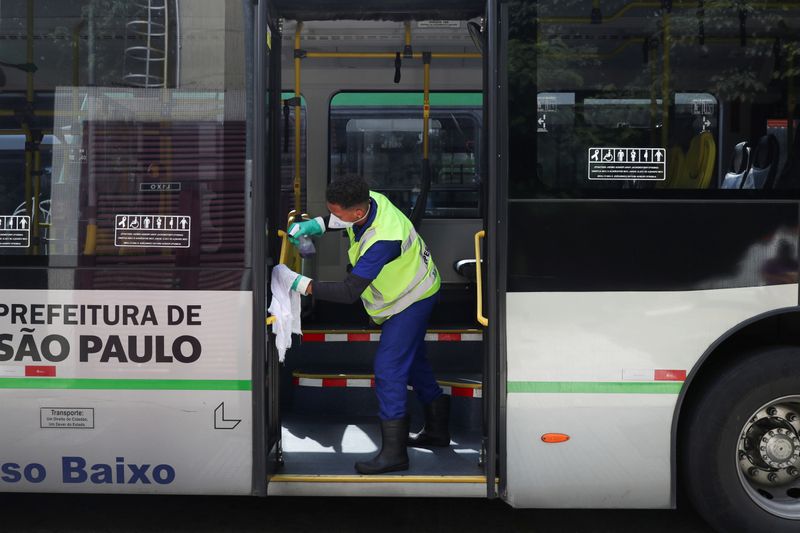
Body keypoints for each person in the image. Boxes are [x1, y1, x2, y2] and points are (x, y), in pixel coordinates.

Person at [283, 176, 450, 475]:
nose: (333, 216)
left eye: (337, 212)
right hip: (413, 290)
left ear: (357, 213)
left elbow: (349, 292)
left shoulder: (384, 240)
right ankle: (438, 430)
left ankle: (395, 454)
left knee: (389, 368)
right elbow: (339, 221)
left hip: (412, 298)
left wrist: (300, 283)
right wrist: (315, 226)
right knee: (413, 362)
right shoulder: (369, 199)